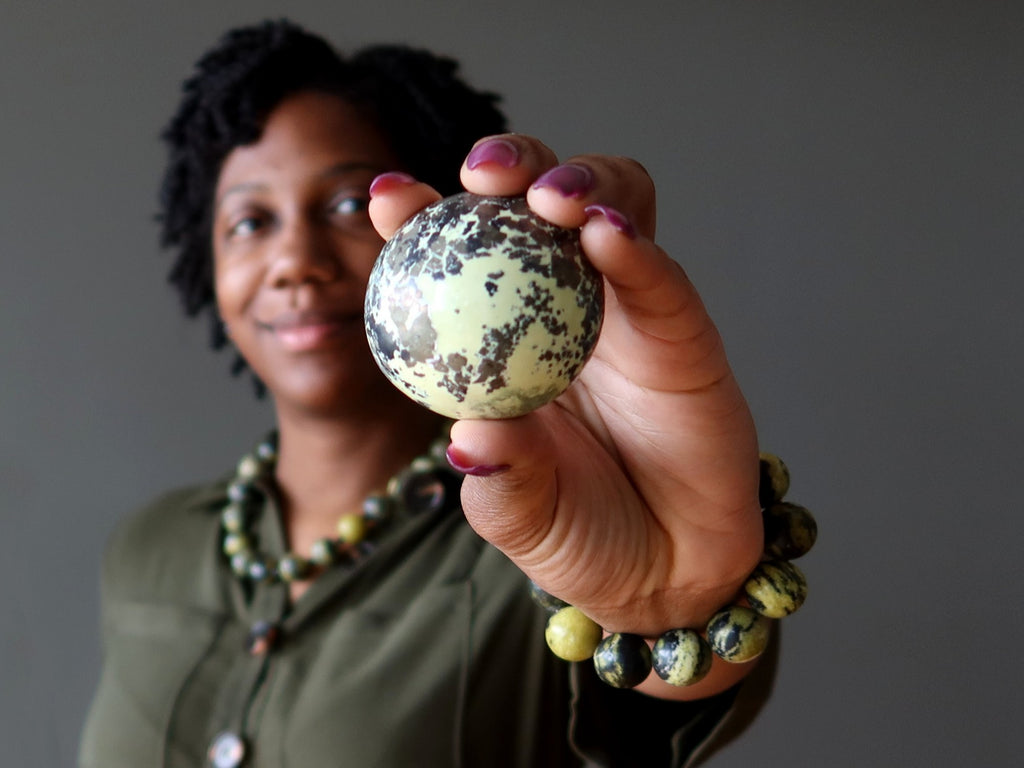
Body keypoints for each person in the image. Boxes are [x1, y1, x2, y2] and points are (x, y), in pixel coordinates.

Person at [80, 18, 796, 768]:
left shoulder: (554, 532)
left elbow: (670, 693)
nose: (294, 260)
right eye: (250, 221)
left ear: (449, 227)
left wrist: (672, 607)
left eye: (350, 205)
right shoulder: (148, 550)